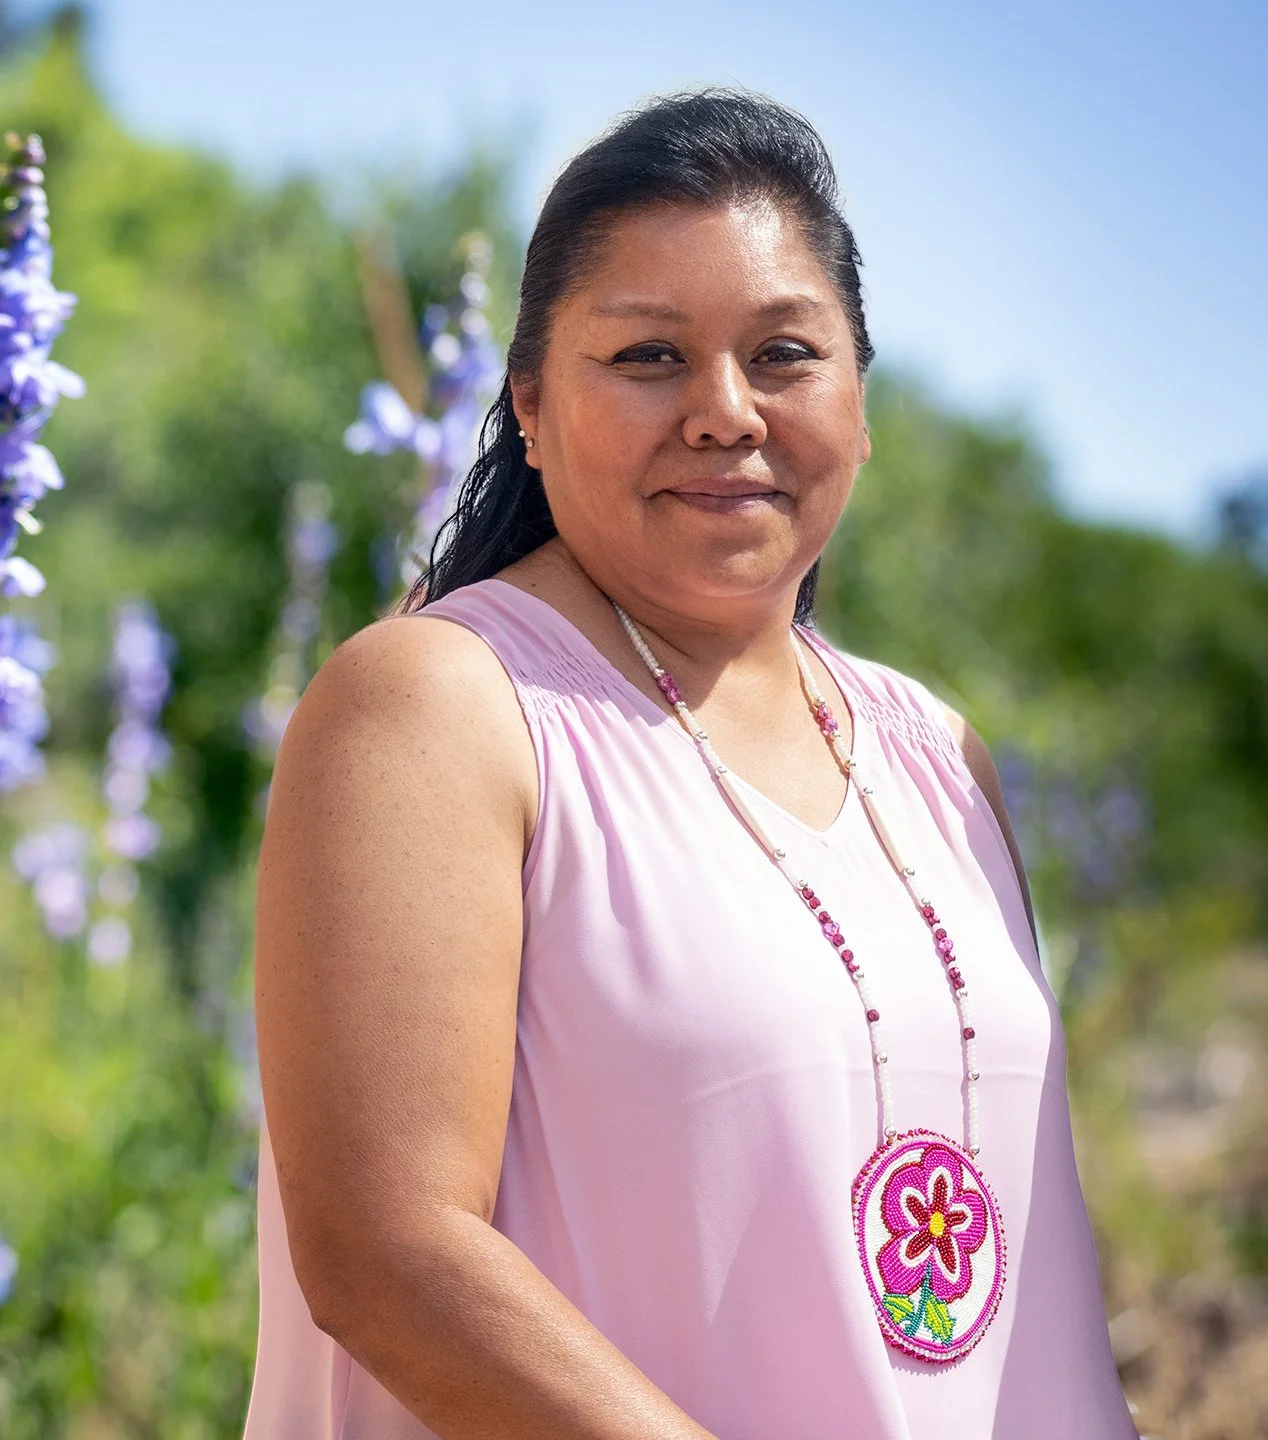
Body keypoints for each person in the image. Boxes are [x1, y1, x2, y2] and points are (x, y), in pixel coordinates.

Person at [244, 90, 1139, 1440]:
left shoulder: (937, 752)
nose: (726, 412)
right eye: (650, 356)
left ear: (860, 400)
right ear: (530, 407)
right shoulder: (441, 706)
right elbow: (387, 1253)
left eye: (784, 354)